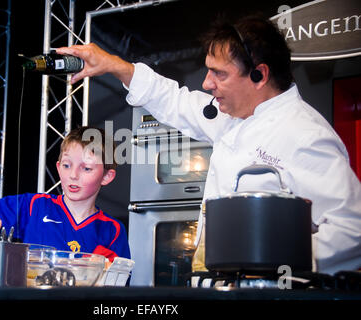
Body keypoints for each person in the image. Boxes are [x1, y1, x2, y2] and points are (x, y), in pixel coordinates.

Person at [55, 17, 361, 274]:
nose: (206, 83)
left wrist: (272, 261)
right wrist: (113, 65)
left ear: (259, 75)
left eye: (219, 73)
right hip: (217, 281)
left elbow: (353, 229)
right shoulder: (232, 115)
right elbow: (172, 99)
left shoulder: (304, 134)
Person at [0, 126, 131, 262]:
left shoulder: (112, 230)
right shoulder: (35, 206)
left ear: (107, 176)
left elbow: (115, 287)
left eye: (86, 168)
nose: (73, 175)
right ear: (57, 166)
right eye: (67, 165)